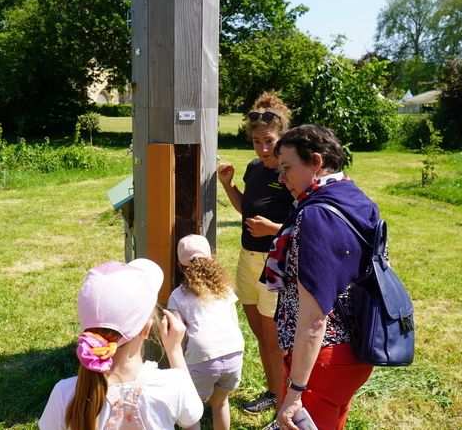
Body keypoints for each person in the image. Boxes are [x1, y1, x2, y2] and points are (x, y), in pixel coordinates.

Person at [263, 125, 377, 430]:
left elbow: (314, 320)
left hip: (321, 361)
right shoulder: (354, 197)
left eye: (287, 167)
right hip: (357, 348)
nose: (281, 177)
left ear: (316, 161)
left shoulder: (317, 216)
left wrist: (295, 393)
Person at [39, 258, 203, 430]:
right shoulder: (171, 386)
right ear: (147, 329)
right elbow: (191, 423)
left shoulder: (64, 394)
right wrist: (175, 351)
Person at [217, 91, 294, 415]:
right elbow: (246, 209)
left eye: (269, 141)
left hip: (273, 263)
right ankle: (274, 392)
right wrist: (228, 185)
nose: (263, 148)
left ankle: (285, 409)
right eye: (256, 141)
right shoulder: (254, 168)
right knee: (261, 337)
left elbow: (308, 223)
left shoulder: (292, 171)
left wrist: (273, 229)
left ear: (282, 137)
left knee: (275, 341)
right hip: (247, 260)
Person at [167, 235, 245, 430]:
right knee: (220, 403)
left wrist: (180, 365)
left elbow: (178, 334)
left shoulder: (177, 296)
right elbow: (234, 322)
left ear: (179, 265)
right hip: (234, 352)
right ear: (211, 259)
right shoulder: (225, 289)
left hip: (202, 358)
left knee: (191, 410)